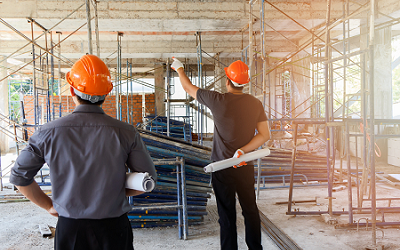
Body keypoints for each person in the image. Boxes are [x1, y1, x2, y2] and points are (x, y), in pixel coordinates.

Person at [10, 54, 157, 250]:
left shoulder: (47, 133)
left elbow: (19, 176)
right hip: (114, 229)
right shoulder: (126, 132)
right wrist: (112, 191)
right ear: (107, 93)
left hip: (71, 229)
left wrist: (49, 205)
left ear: (72, 89)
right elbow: (148, 180)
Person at [171, 58, 270, 250]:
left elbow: (189, 88)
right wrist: (244, 151)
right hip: (244, 165)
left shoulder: (217, 100)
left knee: (226, 215)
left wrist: (180, 69)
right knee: (250, 210)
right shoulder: (255, 103)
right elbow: (264, 135)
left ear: (227, 81)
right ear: (245, 83)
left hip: (222, 167)